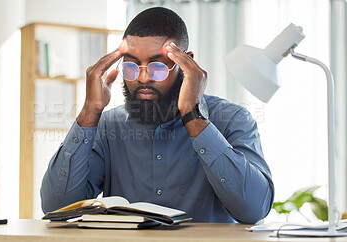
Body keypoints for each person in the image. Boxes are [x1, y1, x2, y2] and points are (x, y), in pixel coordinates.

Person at [41, 7, 274, 224]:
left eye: (157, 67)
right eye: (131, 66)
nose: (142, 78)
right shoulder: (107, 125)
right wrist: (90, 110)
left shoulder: (233, 119)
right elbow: (58, 207)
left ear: (186, 63)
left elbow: (253, 210)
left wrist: (194, 117)